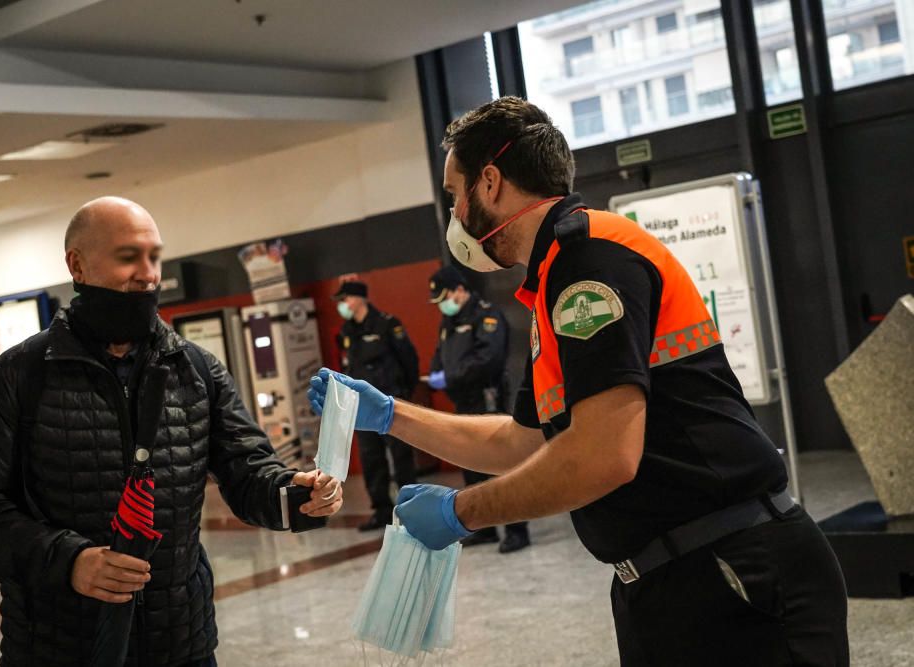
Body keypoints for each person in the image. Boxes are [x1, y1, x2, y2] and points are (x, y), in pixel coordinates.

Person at [310, 98, 849, 665]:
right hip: (669, 579)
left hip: (736, 574)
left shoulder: (589, 261)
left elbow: (603, 456)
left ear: (489, 183)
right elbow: (521, 441)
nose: (453, 213)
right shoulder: (553, 282)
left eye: (453, 193)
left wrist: (460, 512)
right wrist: (393, 414)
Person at [0, 197, 344, 667]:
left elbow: (247, 470)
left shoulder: (196, 370)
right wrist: (69, 562)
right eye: (127, 257)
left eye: (153, 256)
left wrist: (296, 495)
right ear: (77, 265)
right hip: (57, 647)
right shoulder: (21, 375)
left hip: (180, 645)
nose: (148, 273)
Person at [426, 265, 530, 553]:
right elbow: (440, 355)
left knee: (501, 467)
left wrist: (452, 376)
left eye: (444, 297)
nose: (441, 305)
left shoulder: (486, 315)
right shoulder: (450, 320)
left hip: (488, 398)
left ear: (460, 290)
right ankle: (482, 527)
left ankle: (516, 529)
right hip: (463, 401)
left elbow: (489, 359)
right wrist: (438, 374)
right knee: (470, 464)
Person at [334, 280, 419, 531]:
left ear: (360, 298)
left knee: (401, 458)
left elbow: (409, 360)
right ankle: (381, 509)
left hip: (391, 402)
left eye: (345, 298)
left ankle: (410, 508)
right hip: (361, 408)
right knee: (371, 459)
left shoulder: (387, 324)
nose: (343, 305)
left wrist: (405, 394)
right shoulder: (347, 331)